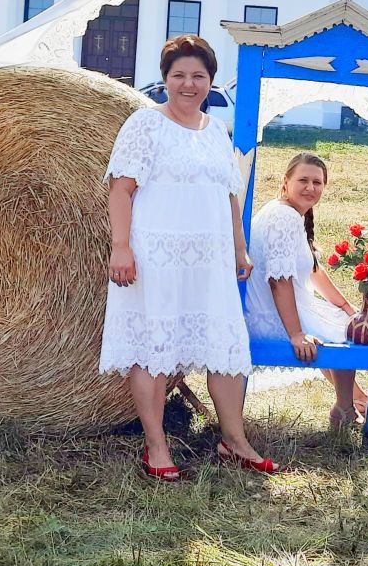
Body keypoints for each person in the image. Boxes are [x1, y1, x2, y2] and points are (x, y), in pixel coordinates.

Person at [101, 35, 278, 481]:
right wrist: (121, 247)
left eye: (198, 76)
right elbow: (121, 189)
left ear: (210, 82)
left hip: (210, 260)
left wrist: (239, 248)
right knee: (155, 349)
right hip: (157, 255)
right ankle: (156, 446)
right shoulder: (145, 125)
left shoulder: (217, 131)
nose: (189, 84)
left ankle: (234, 441)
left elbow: (230, 196)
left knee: (225, 347)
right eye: (179, 75)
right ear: (165, 80)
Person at [243, 153, 366, 429]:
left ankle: (350, 404)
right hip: (270, 314)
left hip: (282, 306)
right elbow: (279, 281)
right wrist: (297, 333)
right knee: (344, 335)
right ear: (285, 182)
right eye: (303, 180)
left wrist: (347, 307)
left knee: (345, 321)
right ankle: (348, 407)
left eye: (317, 182)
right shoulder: (283, 218)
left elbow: (313, 270)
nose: (311, 187)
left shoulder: (290, 214)